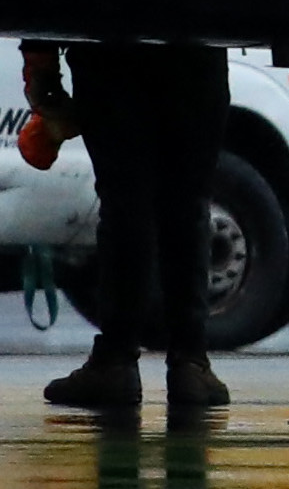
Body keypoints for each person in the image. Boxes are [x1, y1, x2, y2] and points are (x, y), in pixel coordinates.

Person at [29, 38, 228, 422]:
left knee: (124, 205)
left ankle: (116, 362)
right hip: (196, 40)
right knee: (188, 202)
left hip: (111, 41)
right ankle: (190, 363)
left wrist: (40, 63)